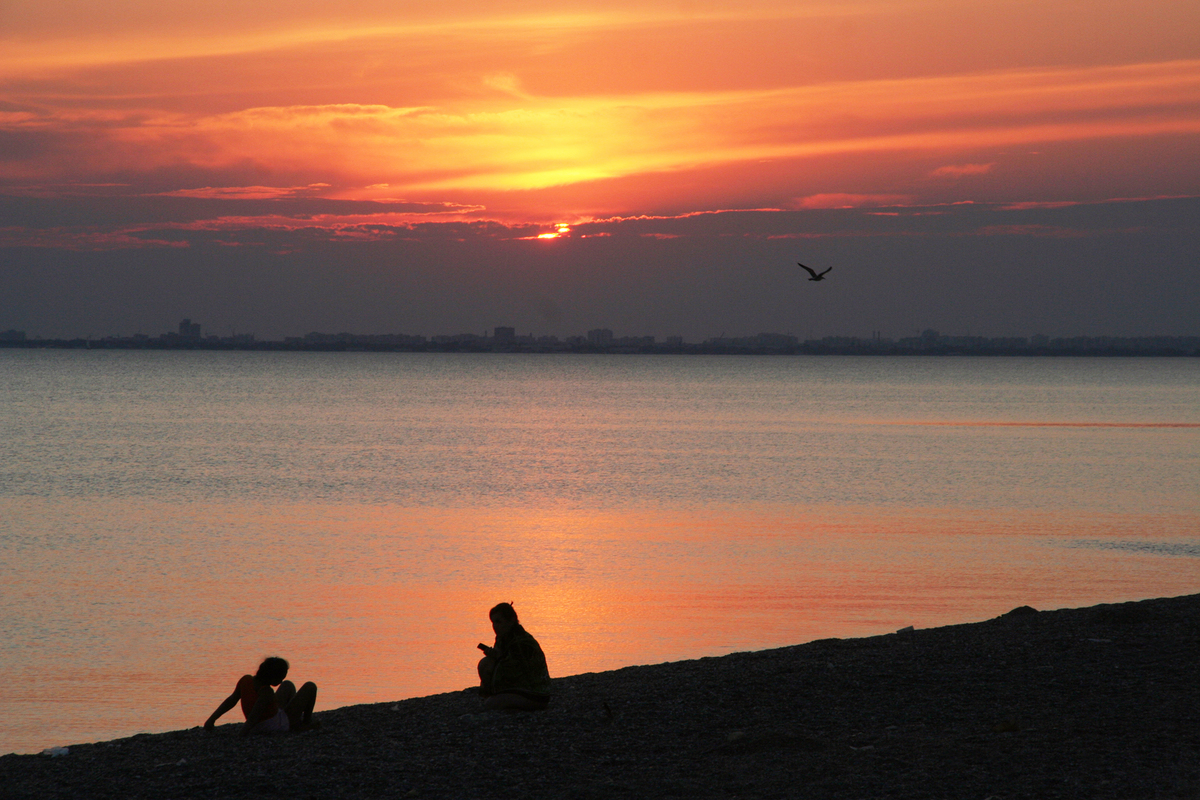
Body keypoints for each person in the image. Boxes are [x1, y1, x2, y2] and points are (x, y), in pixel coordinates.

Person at [204, 656, 319, 735]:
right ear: (273, 677)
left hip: (268, 719)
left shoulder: (246, 680)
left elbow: (231, 700)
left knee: (287, 685)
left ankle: (296, 721)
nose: (281, 681)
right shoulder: (266, 692)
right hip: (275, 725)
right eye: (280, 678)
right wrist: (241, 734)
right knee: (310, 686)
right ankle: (303, 722)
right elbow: (253, 716)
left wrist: (211, 719)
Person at [476, 602, 552, 711]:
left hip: (535, 694)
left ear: (511, 621)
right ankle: (495, 696)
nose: (495, 626)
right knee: (485, 663)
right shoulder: (503, 638)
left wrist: (499, 657)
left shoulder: (522, 642)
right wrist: (495, 656)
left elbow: (513, 671)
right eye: (493, 622)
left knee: (491, 705)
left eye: (498, 622)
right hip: (518, 687)